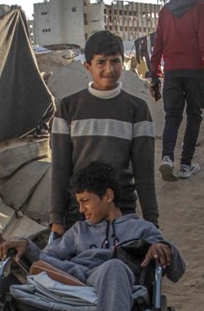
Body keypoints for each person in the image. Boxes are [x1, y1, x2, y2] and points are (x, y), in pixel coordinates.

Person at [0, 162, 185, 311]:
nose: (81, 210)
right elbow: (48, 259)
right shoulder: (78, 231)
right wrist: (27, 245)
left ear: (108, 196)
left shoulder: (140, 229)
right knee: (29, 268)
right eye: (78, 203)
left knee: (114, 268)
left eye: (85, 201)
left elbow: (178, 269)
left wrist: (163, 248)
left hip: (114, 285)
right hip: (73, 281)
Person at [50, 30, 159, 238]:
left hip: (121, 212)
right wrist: (56, 219)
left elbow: (144, 172)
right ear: (87, 66)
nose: (109, 69)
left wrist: (152, 221)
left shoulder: (137, 109)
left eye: (115, 61)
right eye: (101, 62)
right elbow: (60, 167)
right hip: (80, 213)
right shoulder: (68, 108)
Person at [149, 0, 204, 181]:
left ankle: (167, 158)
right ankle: (186, 165)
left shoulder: (165, 10)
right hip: (196, 72)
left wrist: (155, 74)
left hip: (171, 73)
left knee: (172, 117)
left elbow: (158, 44)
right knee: (194, 116)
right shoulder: (203, 6)